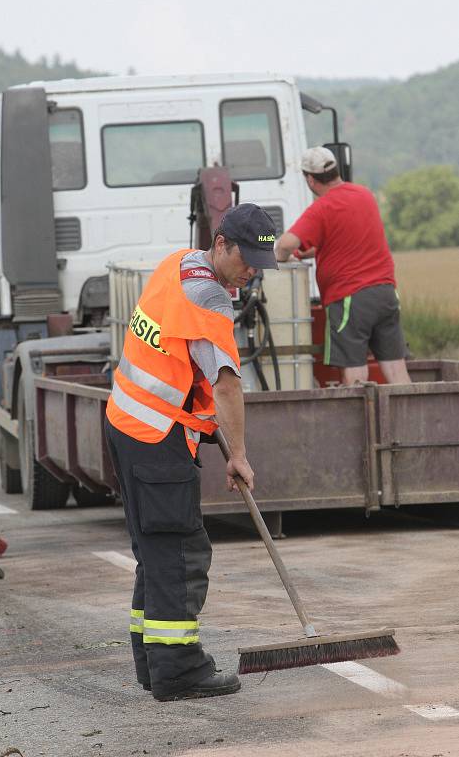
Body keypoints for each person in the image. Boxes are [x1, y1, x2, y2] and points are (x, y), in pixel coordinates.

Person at [105, 203, 277, 702]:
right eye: (247, 262)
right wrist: (238, 454)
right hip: (155, 435)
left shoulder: (178, 264)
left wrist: (197, 422)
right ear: (221, 243)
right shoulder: (207, 299)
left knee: (153, 550)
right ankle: (178, 670)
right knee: (180, 551)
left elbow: (175, 360)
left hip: (130, 422)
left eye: (260, 268)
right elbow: (226, 385)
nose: (251, 275)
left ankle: (152, 662)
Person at [274, 146, 411, 386]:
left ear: (310, 179)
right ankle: (408, 422)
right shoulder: (365, 195)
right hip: (386, 293)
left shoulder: (322, 208)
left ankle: (360, 423)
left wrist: (280, 255)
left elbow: (285, 242)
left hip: (351, 298)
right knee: (396, 369)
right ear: (336, 170)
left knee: (355, 373)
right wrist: (317, 250)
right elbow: (351, 237)